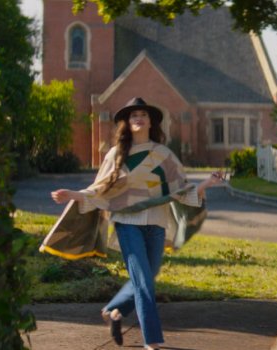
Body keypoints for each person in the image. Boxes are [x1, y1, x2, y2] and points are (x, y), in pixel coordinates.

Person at [50, 97, 222, 350]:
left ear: (151, 120)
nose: (138, 118)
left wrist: (207, 184)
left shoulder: (164, 155)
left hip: (156, 224)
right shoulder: (116, 154)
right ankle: (151, 340)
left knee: (148, 278)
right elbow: (100, 189)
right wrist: (73, 195)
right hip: (127, 223)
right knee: (142, 280)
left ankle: (114, 310)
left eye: (143, 114)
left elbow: (180, 190)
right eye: (133, 116)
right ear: (127, 123)